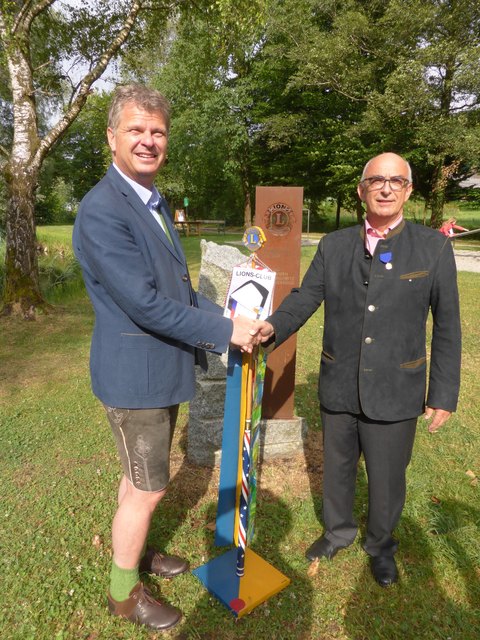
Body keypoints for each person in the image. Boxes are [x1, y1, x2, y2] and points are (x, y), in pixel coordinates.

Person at [72, 84, 260, 631]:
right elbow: (145, 305)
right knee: (148, 487)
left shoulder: (150, 201)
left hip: (157, 373)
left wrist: (233, 317)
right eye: (136, 130)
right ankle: (123, 592)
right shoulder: (104, 209)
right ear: (111, 138)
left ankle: (139, 554)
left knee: (138, 480)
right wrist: (227, 330)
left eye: (157, 132)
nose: (148, 141)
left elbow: (175, 291)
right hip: (136, 380)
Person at [257, 152, 461, 587]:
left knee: (387, 478)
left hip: (397, 388)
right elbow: (305, 299)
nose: (386, 188)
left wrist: (442, 395)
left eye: (396, 181)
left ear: (408, 191)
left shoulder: (434, 247)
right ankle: (337, 532)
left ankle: (381, 546)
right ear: (361, 189)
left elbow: (447, 327)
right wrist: (268, 328)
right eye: (376, 180)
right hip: (339, 382)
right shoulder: (334, 246)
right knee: (338, 466)